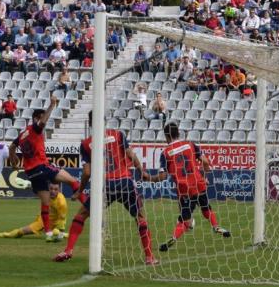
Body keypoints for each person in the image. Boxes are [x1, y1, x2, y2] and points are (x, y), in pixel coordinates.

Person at [53, 112, 157, 264]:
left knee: (80, 216)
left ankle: (68, 250)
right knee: (140, 218)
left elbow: (87, 172)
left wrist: (79, 191)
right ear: (104, 121)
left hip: (104, 186)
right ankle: (149, 257)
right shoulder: (118, 135)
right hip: (124, 182)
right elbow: (131, 155)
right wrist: (142, 172)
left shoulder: (86, 143)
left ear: (90, 123)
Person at [143, 122, 230, 252]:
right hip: (198, 183)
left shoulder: (166, 153)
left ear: (166, 136)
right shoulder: (190, 144)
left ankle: (174, 237)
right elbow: (206, 162)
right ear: (178, 133)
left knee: (186, 221)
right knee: (207, 209)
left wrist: (148, 178)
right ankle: (215, 226)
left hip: (184, 191)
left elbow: (162, 177)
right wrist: (205, 177)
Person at [9, 100, 88, 242]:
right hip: (41, 166)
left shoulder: (22, 134)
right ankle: (89, 207)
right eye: (40, 117)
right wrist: (52, 105)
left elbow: (11, 147)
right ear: (36, 118)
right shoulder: (35, 128)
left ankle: (48, 233)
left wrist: (14, 161)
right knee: (72, 181)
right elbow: (43, 122)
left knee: (45, 204)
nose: (41, 120)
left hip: (31, 172)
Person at [0, 183, 68, 241]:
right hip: (42, 218)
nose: (52, 191)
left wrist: (60, 234)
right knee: (49, 230)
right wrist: (28, 185)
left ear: (59, 190)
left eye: (55, 189)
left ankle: (3, 234)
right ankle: (64, 234)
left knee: (21, 232)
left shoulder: (61, 202)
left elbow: (62, 219)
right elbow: (38, 190)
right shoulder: (46, 194)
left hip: (48, 223)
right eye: (51, 188)